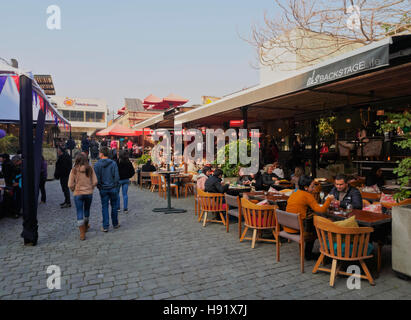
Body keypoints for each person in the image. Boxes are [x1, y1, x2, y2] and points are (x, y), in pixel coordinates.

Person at [286, 175, 335, 260]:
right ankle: (326, 254)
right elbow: (321, 210)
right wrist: (329, 199)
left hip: (289, 226)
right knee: (323, 228)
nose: (313, 188)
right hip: (300, 228)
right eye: (312, 186)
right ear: (305, 187)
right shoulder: (307, 195)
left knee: (316, 225)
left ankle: (310, 253)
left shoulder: (295, 192)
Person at [68, 153, 98, 240]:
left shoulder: (74, 170)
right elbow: (95, 181)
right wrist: (91, 188)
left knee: (79, 212)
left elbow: (70, 184)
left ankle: (82, 233)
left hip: (78, 193)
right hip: (88, 193)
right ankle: (86, 225)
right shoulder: (90, 169)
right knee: (87, 210)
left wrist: (74, 189)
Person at [94, 147, 120, 232]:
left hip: (103, 189)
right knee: (114, 206)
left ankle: (105, 226)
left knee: (104, 207)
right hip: (112, 188)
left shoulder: (97, 165)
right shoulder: (113, 163)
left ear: (101, 153)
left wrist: (100, 186)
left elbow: (96, 178)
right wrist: (115, 186)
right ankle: (115, 223)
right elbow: (116, 177)